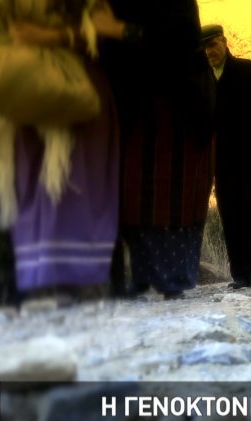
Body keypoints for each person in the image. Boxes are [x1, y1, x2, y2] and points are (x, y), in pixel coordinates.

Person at [93, 0, 215, 299]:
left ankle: (170, 279)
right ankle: (139, 277)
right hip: (127, 105)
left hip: (176, 104)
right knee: (132, 196)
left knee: (168, 195)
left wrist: (118, 29)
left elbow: (179, 39)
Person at [0, 7, 119, 302]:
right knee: (29, 186)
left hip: (72, 90)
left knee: (72, 189)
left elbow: (105, 31)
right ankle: (36, 286)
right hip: (22, 90)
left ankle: (75, 287)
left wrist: (50, 36)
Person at [200, 24, 251, 289]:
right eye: (203, 48)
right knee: (231, 213)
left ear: (224, 42)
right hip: (223, 161)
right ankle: (241, 272)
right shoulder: (202, 79)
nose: (209, 51)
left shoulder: (250, 71)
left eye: (212, 45)